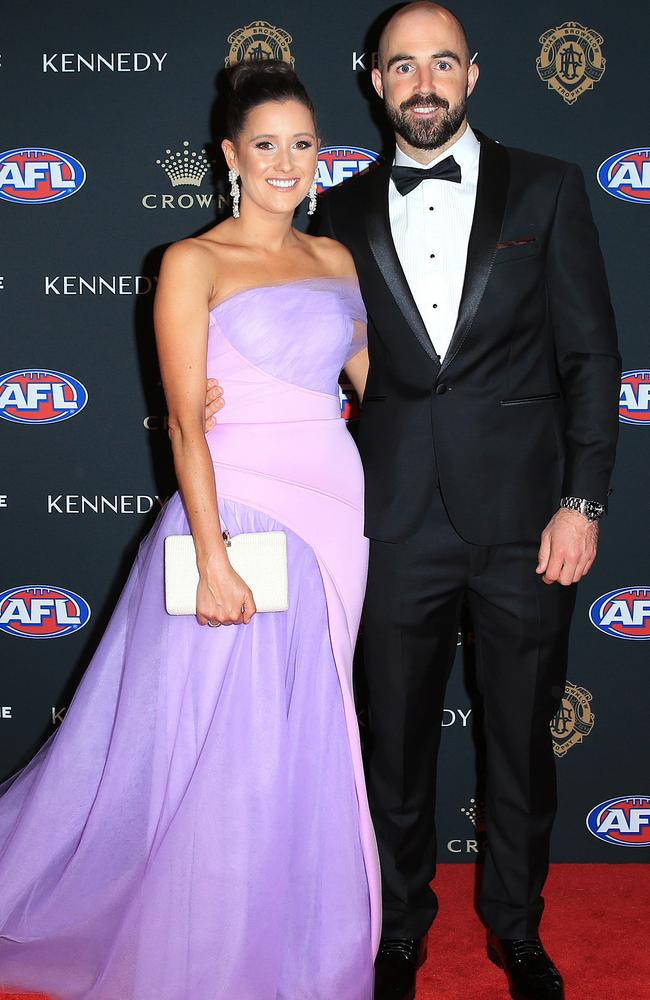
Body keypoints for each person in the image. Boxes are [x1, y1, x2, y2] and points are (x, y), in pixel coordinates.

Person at [0, 61, 379, 1000]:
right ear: (230, 157)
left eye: (302, 145)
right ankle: (211, 952)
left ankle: (296, 927)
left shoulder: (337, 260)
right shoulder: (192, 261)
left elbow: (380, 393)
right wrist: (209, 557)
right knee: (231, 741)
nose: (287, 163)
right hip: (238, 513)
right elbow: (181, 423)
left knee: (310, 724)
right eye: (266, 146)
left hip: (338, 515)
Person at [314, 3, 620, 999]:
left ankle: (517, 929)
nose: (422, 82)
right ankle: (399, 924)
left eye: (440, 62)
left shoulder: (548, 188)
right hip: (394, 515)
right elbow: (322, 354)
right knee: (391, 740)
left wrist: (582, 501)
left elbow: (590, 359)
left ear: (473, 75)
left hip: (529, 520)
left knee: (517, 737)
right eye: (402, 66)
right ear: (374, 80)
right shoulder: (341, 212)